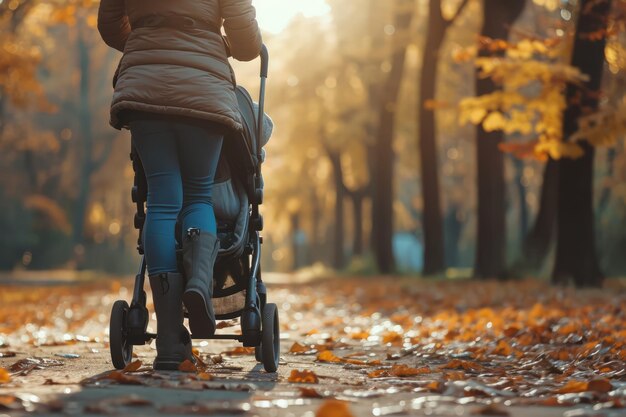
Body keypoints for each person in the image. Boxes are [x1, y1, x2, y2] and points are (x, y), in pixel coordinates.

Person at [97, 0, 262, 370]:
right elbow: (248, 46)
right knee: (199, 194)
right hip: (205, 89)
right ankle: (199, 287)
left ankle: (170, 340)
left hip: (144, 89)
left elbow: (110, 26)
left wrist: (149, 39)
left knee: (161, 203)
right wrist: (211, 40)